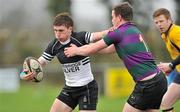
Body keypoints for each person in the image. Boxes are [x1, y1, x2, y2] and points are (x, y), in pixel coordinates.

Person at [64, 2, 167, 112]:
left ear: (119, 17)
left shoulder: (118, 33)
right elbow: (107, 49)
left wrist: (75, 50)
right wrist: (85, 47)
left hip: (148, 84)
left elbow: (92, 49)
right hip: (159, 79)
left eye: (113, 17)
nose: (112, 20)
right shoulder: (133, 30)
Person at [20, 12, 110, 112]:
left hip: (87, 88)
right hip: (69, 89)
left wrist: (117, 30)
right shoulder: (54, 45)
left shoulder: (80, 37)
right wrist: (24, 73)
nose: (57, 34)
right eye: (55, 30)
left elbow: (101, 34)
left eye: (61, 30)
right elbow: (39, 62)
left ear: (70, 29)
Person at [153, 8, 180, 112]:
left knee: (166, 102)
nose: (159, 24)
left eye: (161, 21)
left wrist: (171, 65)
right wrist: (172, 67)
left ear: (169, 20)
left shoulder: (175, 32)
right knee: (165, 103)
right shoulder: (165, 34)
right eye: (156, 22)